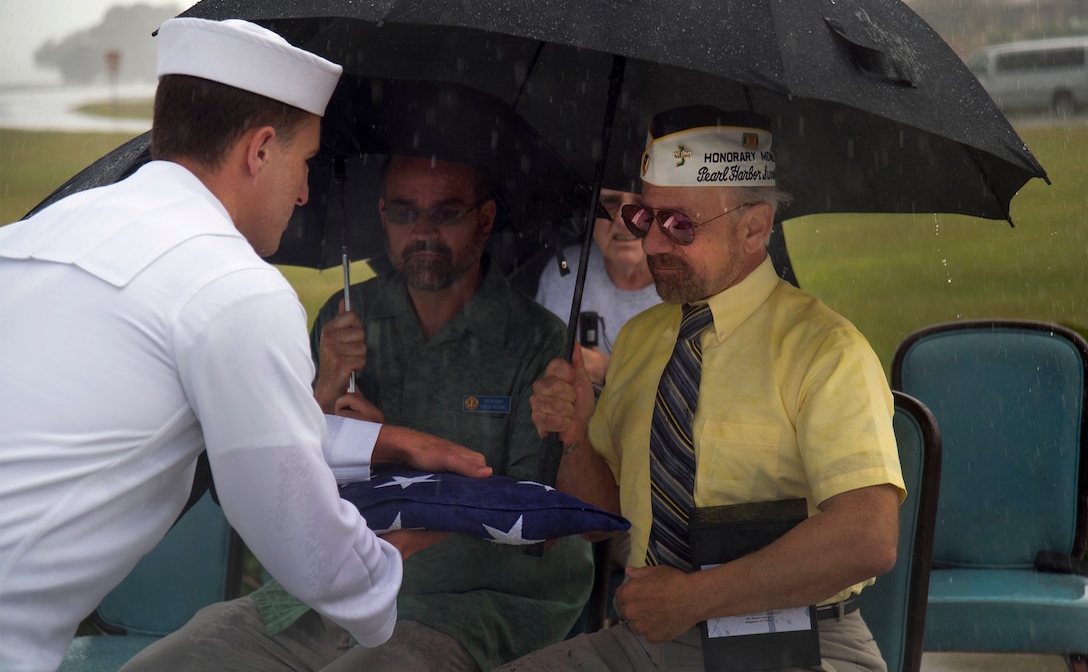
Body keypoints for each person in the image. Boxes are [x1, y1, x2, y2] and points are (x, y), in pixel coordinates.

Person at [0, 18, 491, 672]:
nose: (305, 192)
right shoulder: (231, 287)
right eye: (305, 163)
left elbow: (236, 427)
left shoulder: (30, 237)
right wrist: (382, 572)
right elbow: (299, 533)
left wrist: (393, 442)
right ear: (260, 150)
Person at [125, 153, 594, 672]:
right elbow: (286, 481)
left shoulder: (537, 340)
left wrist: (387, 449)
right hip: (327, 597)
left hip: (469, 604)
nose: (422, 231)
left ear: (484, 220)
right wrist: (324, 397)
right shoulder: (346, 320)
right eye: (403, 212)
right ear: (380, 214)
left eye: (446, 213)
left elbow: (534, 516)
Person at [506, 106, 906, 671]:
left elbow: (868, 536)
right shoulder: (643, 341)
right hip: (653, 639)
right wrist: (572, 435)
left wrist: (695, 599)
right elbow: (605, 516)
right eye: (645, 219)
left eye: (680, 225)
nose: (649, 246)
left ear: (755, 228)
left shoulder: (826, 351)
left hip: (796, 639)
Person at [534, 187, 658, 387]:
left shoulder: (686, 293)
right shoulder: (564, 271)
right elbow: (533, 365)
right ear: (587, 216)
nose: (622, 219)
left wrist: (612, 374)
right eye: (609, 202)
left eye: (640, 203)